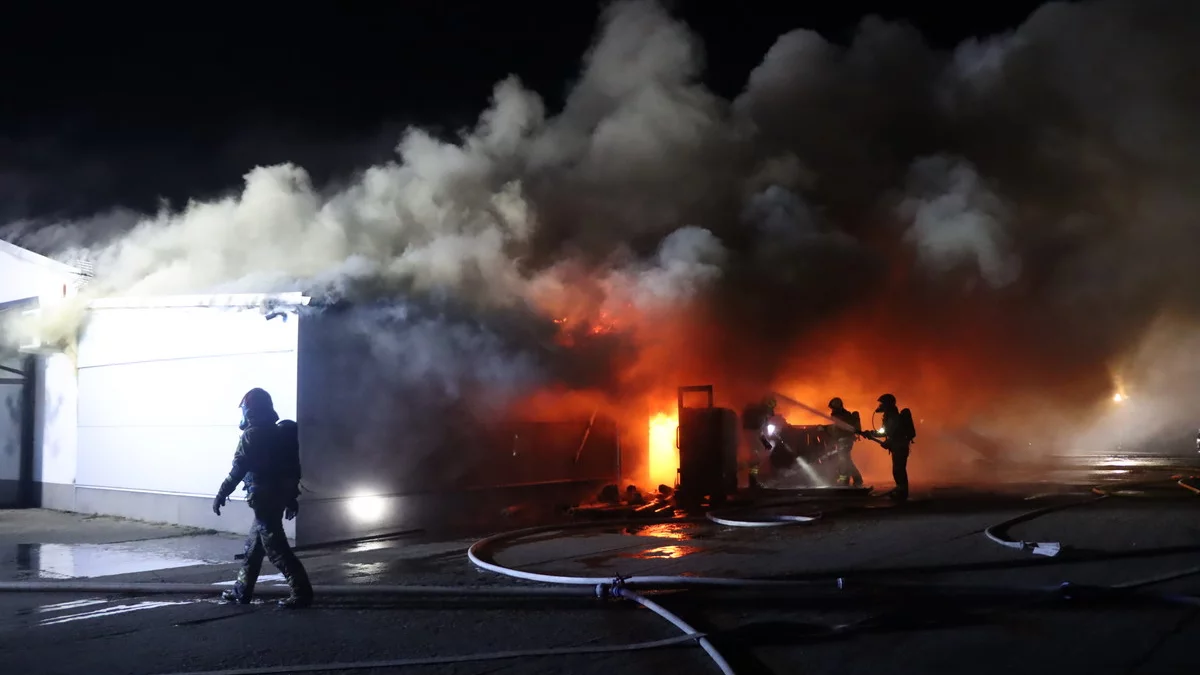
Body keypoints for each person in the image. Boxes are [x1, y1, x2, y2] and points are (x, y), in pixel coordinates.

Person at [212, 388, 313, 608]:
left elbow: (239, 469)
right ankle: (241, 591)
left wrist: (221, 493)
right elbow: (290, 470)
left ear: (250, 411)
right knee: (253, 549)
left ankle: (301, 593)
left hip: (263, 499)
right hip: (276, 497)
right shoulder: (282, 433)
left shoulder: (252, 435)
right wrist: (290, 498)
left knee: (276, 549)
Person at [860, 393, 916, 502]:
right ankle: (901, 491)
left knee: (898, 470)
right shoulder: (890, 415)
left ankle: (902, 493)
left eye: (882, 403)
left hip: (899, 447)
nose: (880, 405)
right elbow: (885, 431)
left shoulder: (892, 416)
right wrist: (870, 433)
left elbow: (890, 432)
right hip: (898, 446)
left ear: (887, 404)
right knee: (898, 469)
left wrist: (875, 435)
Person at [827, 397, 863, 487]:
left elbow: (840, 428)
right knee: (847, 460)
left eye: (833, 408)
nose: (832, 410)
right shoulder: (842, 415)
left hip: (845, 440)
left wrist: (825, 428)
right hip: (844, 440)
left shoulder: (842, 416)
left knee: (844, 460)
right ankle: (857, 479)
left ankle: (847, 480)